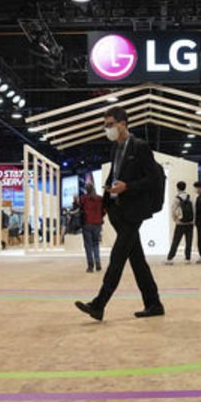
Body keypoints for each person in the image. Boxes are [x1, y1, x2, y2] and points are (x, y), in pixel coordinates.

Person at [75, 106, 164, 321]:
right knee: (137, 260)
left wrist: (128, 187)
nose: (107, 129)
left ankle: (99, 304)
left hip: (134, 212)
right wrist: (106, 198)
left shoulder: (140, 147)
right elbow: (114, 176)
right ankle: (154, 304)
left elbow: (153, 179)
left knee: (117, 258)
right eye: (105, 125)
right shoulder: (115, 148)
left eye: (110, 125)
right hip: (118, 211)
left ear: (123, 124)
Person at [166, 181, 195, 264]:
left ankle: (170, 258)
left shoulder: (177, 198)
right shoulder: (190, 197)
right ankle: (187, 258)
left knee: (176, 241)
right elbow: (194, 210)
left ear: (177, 188)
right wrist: (193, 220)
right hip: (190, 223)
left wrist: (176, 220)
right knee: (189, 242)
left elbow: (173, 210)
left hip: (180, 223)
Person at [77, 184, 105, 273]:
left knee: (88, 245)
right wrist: (100, 217)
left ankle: (90, 266)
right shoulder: (100, 198)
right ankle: (98, 264)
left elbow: (78, 209)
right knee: (96, 244)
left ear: (86, 190)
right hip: (97, 223)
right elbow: (104, 210)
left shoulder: (83, 198)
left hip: (87, 224)